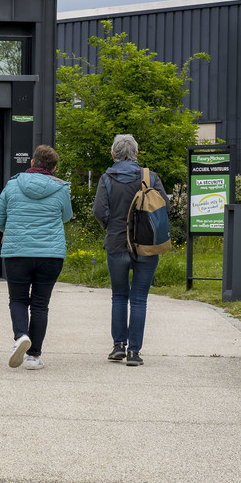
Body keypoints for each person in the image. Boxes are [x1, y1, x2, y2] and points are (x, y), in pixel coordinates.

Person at [0, 144, 73, 370]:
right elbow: (66, 216)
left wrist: (9, 229)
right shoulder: (61, 188)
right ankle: (34, 357)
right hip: (50, 254)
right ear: (54, 168)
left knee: (17, 299)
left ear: (32, 163)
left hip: (17, 252)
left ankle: (20, 336)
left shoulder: (13, 185)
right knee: (40, 304)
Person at [93, 133, 168, 366]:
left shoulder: (106, 179)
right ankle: (134, 352)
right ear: (136, 153)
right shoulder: (150, 177)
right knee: (139, 299)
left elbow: (99, 211)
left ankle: (118, 347)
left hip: (116, 244)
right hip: (146, 246)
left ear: (113, 154)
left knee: (119, 296)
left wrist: (112, 227)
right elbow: (163, 206)